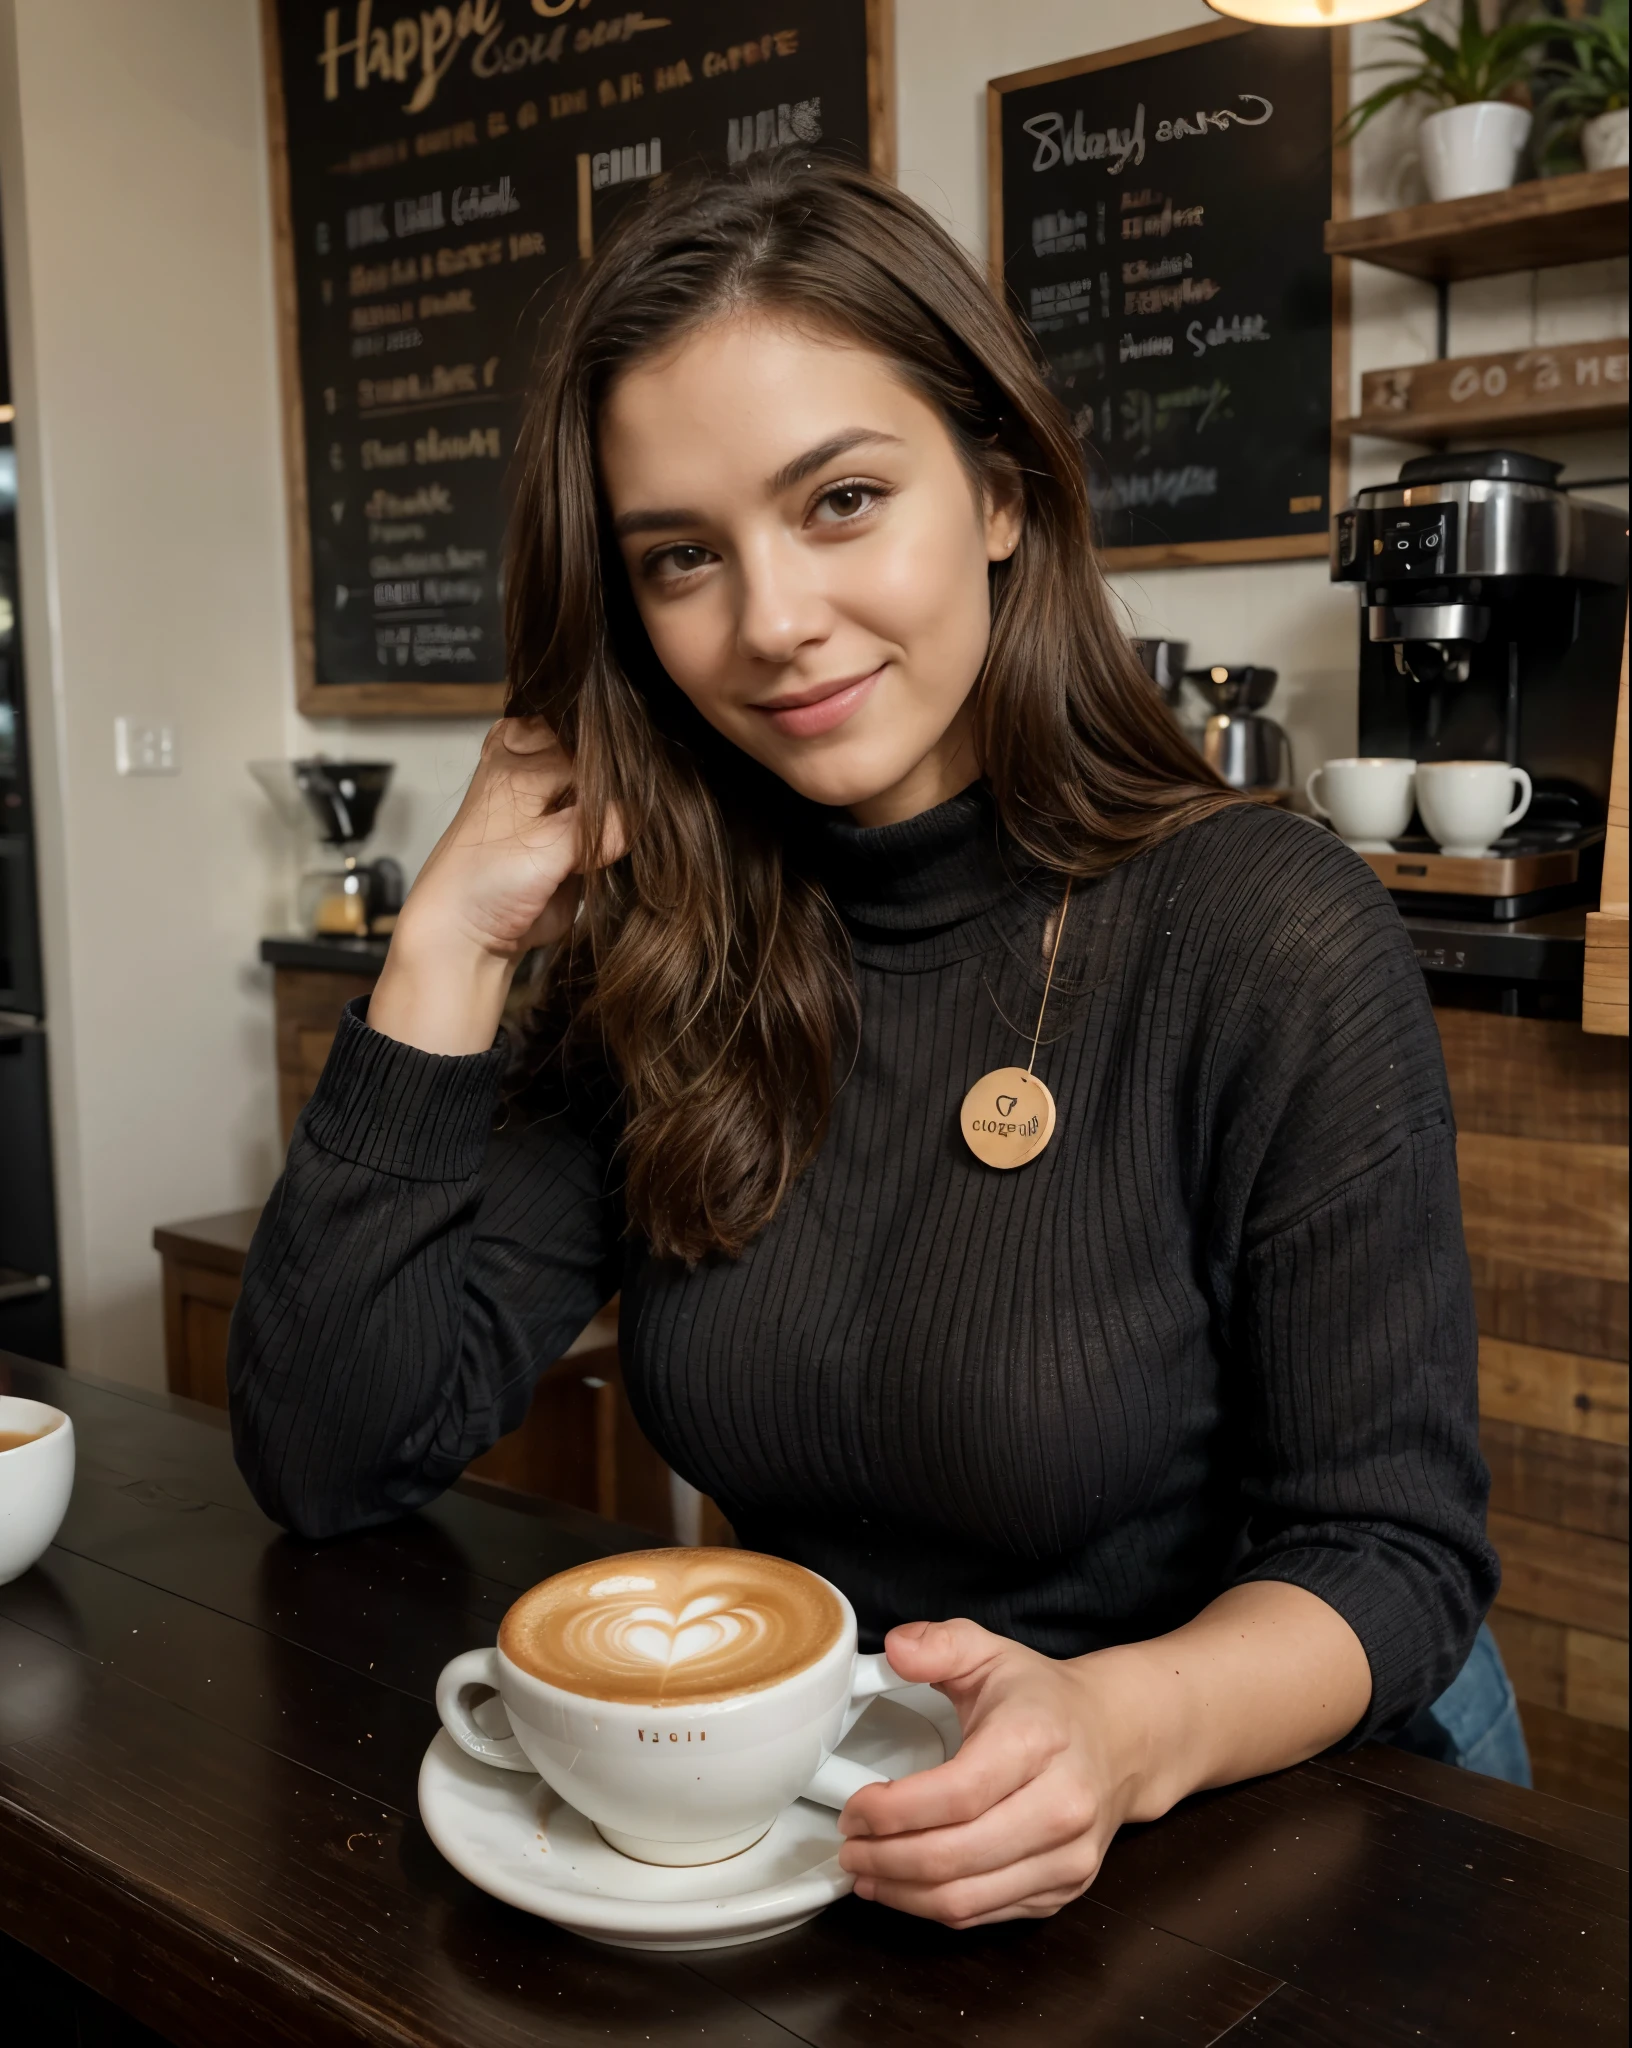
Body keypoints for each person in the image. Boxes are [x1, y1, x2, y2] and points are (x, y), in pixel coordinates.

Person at [230, 155, 1522, 1929]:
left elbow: (1392, 1555)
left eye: (840, 499)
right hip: (840, 1831)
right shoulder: (670, 951)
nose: (770, 622)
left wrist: (1125, 1725)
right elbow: (331, 1458)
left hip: (1258, 1829)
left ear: (998, 490)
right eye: (681, 556)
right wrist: (451, 936)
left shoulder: (1266, 932)